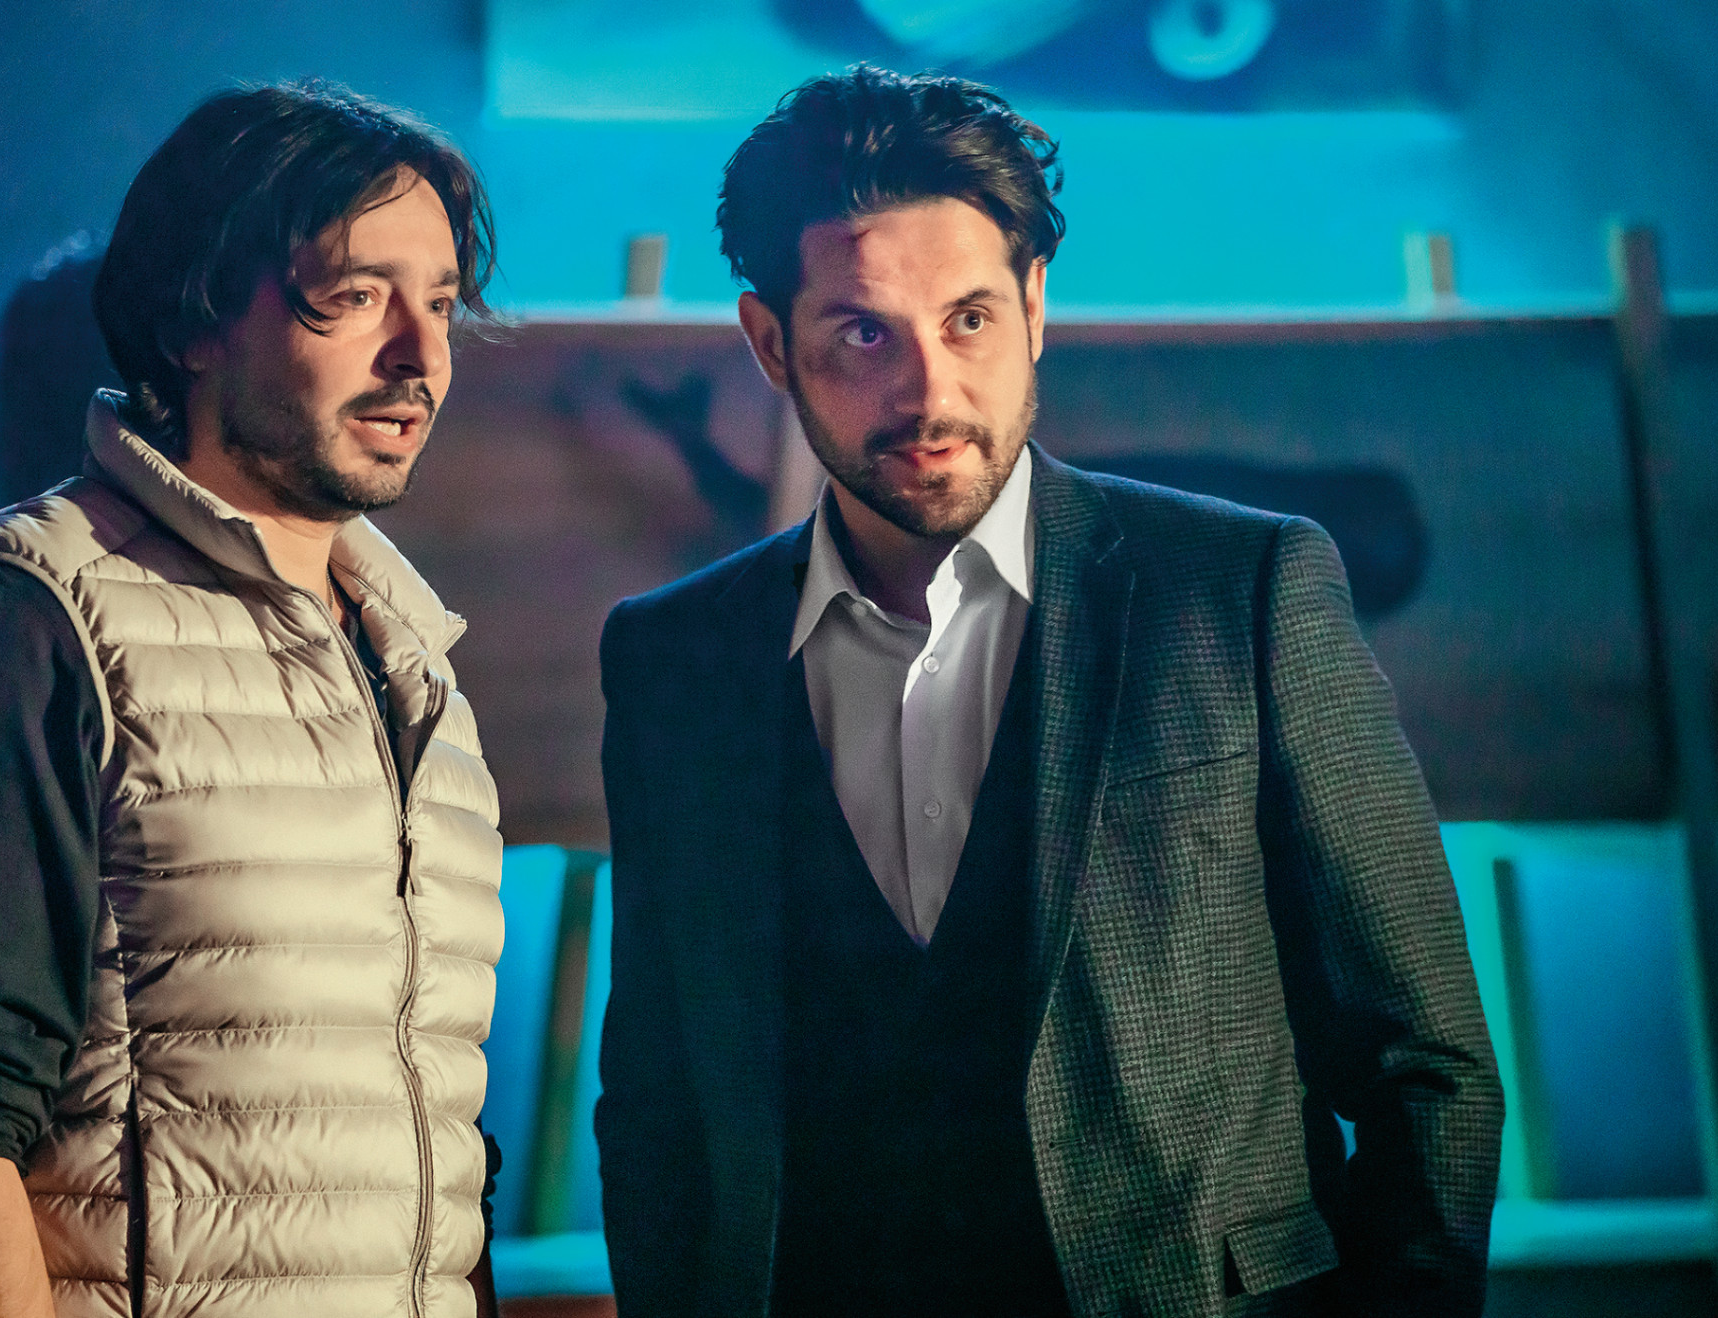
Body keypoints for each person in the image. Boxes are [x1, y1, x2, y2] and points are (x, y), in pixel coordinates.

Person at [595, 66, 1502, 1318]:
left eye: (967, 318)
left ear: (1032, 305)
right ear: (768, 345)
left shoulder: (1241, 589)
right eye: (862, 333)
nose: (928, 392)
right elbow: (656, 1100)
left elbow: (1424, 1060)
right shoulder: (671, 659)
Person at [0, 83, 507, 1318]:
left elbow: (427, 1139)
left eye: (441, 302)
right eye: (356, 296)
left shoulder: (419, 664)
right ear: (194, 320)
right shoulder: (24, 613)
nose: (418, 357)